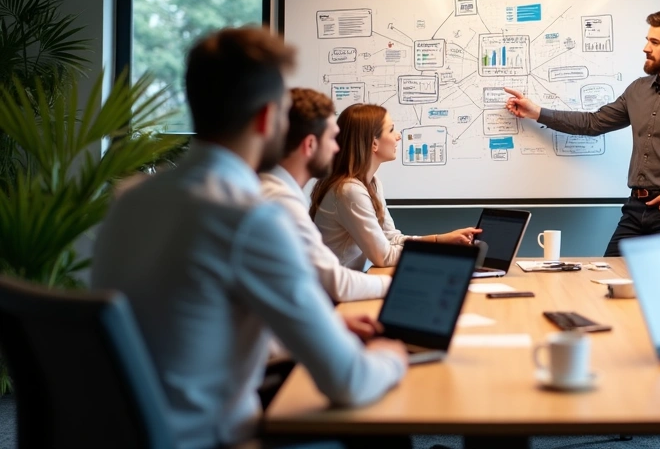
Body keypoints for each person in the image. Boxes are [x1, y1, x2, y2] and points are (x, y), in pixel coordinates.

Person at [92, 27, 406, 449]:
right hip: (218, 439)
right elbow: (348, 381)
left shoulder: (129, 199)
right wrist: (393, 356)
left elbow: (197, 322)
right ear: (266, 118)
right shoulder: (252, 217)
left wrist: (330, 323)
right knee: (381, 424)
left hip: (135, 433)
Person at [504, 10, 660, 256]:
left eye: (655, 42)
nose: (646, 48)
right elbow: (593, 123)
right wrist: (537, 112)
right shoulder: (638, 89)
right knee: (608, 280)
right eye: (648, 40)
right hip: (635, 208)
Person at [311, 103, 479, 270]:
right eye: (391, 130)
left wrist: (440, 240)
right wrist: (439, 250)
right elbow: (384, 257)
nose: (398, 136)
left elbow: (391, 238)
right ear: (373, 143)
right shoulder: (349, 191)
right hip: (332, 293)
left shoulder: (372, 182)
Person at [261, 88, 390, 302]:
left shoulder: (280, 192)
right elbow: (335, 283)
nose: (337, 147)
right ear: (310, 144)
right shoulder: (279, 204)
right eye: (332, 138)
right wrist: (396, 284)